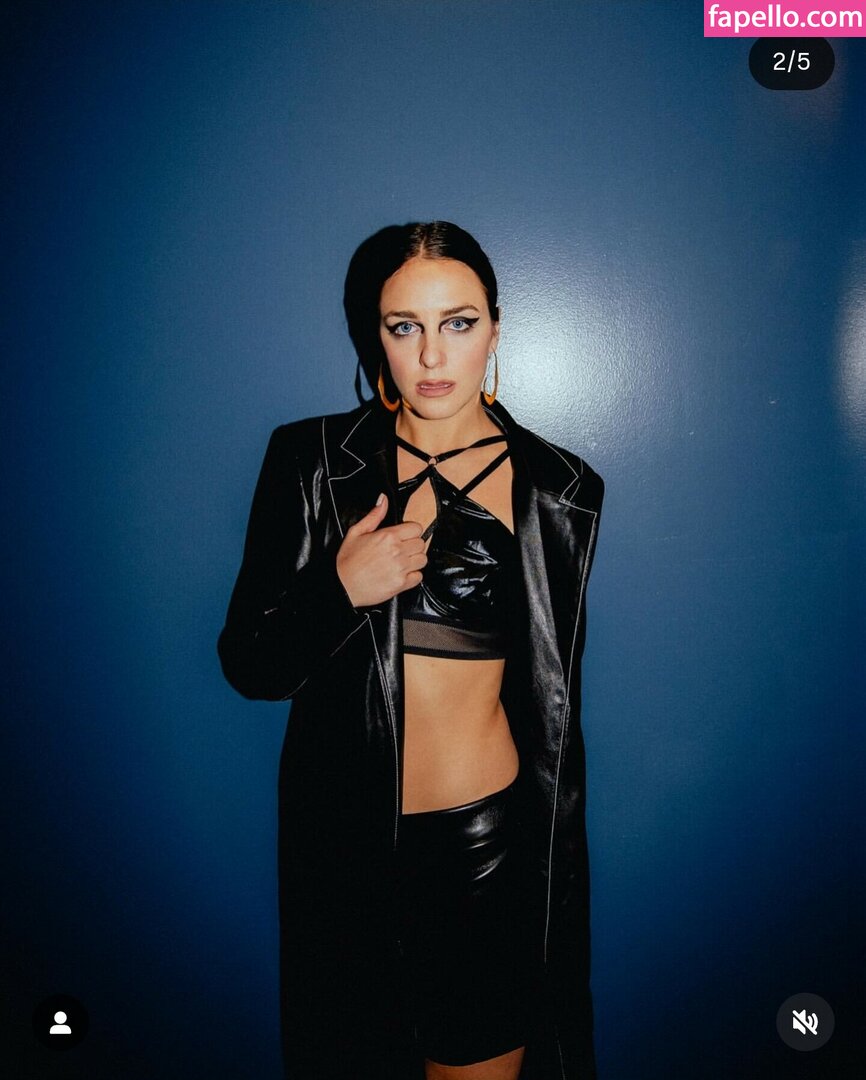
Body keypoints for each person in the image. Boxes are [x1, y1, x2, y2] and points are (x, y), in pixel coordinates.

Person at [217, 222, 604, 1080]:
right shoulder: (312, 461)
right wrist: (339, 589)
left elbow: (550, 694)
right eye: (405, 326)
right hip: (344, 853)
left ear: (495, 330)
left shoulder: (560, 488)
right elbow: (251, 665)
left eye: (458, 323)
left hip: (485, 850)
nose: (432, 354)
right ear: (377, 337)